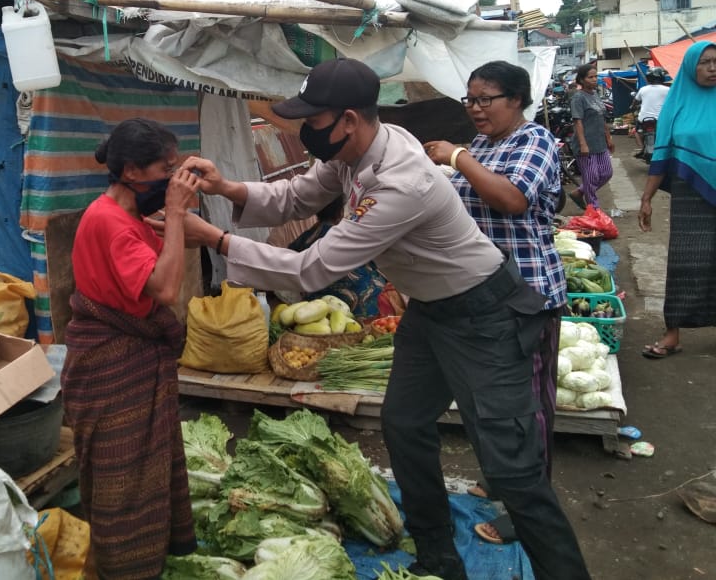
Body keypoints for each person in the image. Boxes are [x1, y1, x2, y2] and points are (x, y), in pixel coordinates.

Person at [181, 58, 591, 580]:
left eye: (314, 119)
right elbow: (297, 196)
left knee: (512, 469)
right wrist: (228, 189)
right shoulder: (358, 149)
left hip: (484, 314)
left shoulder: (401, 180)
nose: (306, 130)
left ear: (348, 119)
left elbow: (312, 269)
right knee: (404, 422)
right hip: (431, 310)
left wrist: (215, 239)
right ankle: (439, 557)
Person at [424, 61, 566, 548]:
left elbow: (511, 199)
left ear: (517, 100)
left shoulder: (536, 141)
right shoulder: (483, 145)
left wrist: (457, 156)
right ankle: (505, 479)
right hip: (481, 293)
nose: (476, 108)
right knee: (490, 401)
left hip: (526, 293)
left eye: (486, 99)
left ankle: (528, 510)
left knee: (528, 409)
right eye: (470, 99)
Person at [60, 118, 202, 579]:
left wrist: (171, 221)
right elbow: (163, 288)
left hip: (128, 359)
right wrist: (177, 216)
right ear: (133, 172)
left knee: (136, 477)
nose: (174, 177)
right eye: (168, 168)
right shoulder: (110, 223)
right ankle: (122, 568)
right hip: (112, 365)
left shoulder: (124, 216)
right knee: (121, 485)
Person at [638, 41, 716, 359]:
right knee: (687, 261)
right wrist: (646, 197)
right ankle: (672, 334)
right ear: (689, 67)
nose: (713, 68)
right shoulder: (677, 102)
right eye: (705, 62)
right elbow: (663, 152)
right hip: (691, 196)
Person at [287, 195, 389, 318]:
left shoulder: (306, 239)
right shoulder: (352, 234)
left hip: (320, 311)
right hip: (366, 309)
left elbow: (289, 264)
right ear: (340, 212)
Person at [567, 63, 614, 210]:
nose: (594, 79)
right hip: (585, 144)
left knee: (606, 173)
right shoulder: (578, 98)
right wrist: (582, 144)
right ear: (581, 79)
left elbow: (602, 119)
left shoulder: (595, 96)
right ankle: (594, 209)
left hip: (600, 142)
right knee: (591, 177)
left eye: (596, 76)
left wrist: (609, 138)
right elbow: (577, 121)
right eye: (590, 77)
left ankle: (579, 192)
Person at [631, 69, 669, 158]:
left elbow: (635, 102)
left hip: (643, 120)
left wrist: (632, 107)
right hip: (660, 120)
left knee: (636, 131)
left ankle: (642, 148)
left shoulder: (643, 89)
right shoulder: (668, 90)